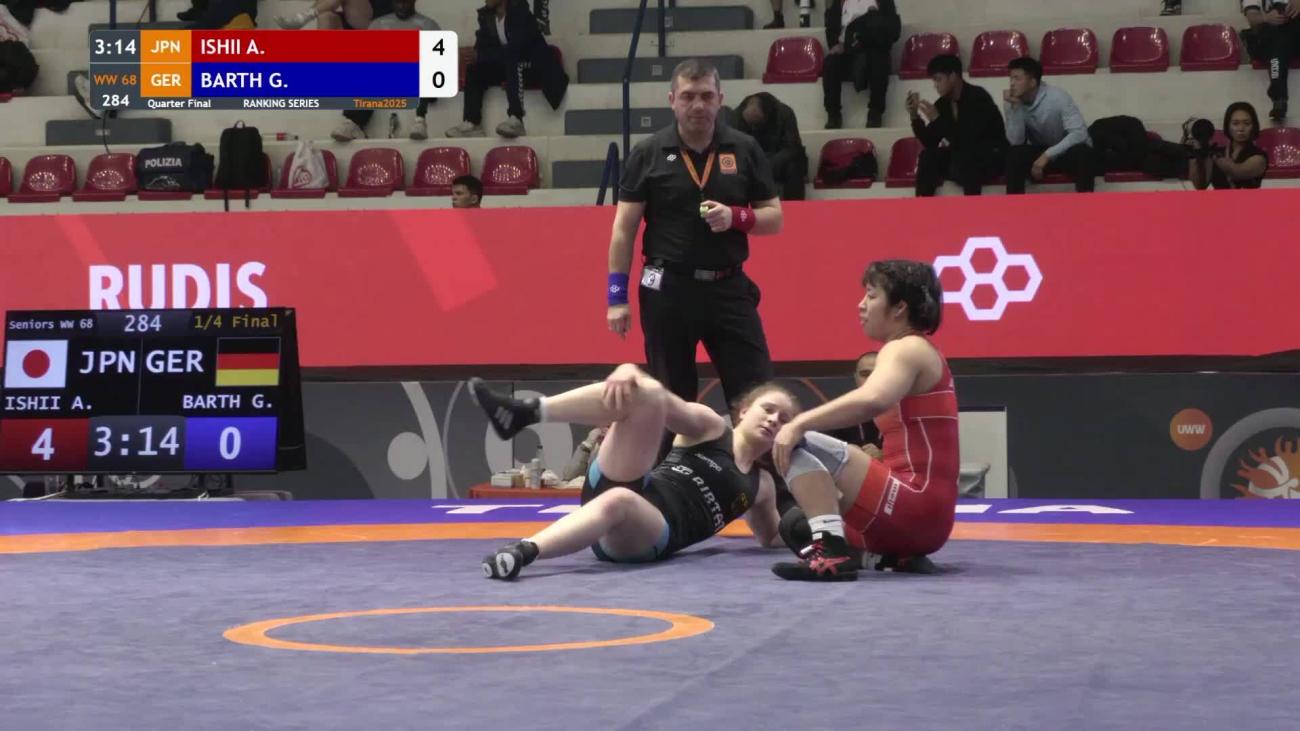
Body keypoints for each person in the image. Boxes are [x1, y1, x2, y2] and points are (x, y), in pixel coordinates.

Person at [607, 58, 783, 456]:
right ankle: (670, 481)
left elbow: (774, 219)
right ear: (672, 100)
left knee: (757, 394)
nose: (698, 105)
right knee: (671, 397)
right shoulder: (648, 152)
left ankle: (767, 484)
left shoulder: (744, 148)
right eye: (688, 96)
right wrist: (616, 297)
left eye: (706, 96)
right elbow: (623, 229)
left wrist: (736, 217)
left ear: (721, 98)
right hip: (667, 289)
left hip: (728, 288)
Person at [468, 369, 795, 579]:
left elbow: (772, 537)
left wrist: (819, 529)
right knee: (647, 393)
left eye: (783, 420)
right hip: (636, 485)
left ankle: (524, 551)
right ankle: (523, 413)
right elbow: (665, 402)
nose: (773, 420)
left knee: (620, 501)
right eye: (768, 410)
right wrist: (630, 373)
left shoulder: (762, 485)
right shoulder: (710, 427)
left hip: (651, 532)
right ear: (744, 411)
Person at [770, 260, 959, 581]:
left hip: (915, 505)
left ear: (899, 308)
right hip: (920, 522)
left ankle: (832, 554)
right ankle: (882, 560)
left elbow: (873, 399)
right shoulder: (914, 350)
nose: (861, 305)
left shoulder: (907, 347)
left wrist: (797, 424)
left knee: (795, 441)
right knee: (795, 525)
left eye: (871, 296)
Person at [446, 0, 569, 139]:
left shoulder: (521, 13)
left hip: (535, 65)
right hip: (509, 67)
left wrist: (481, 55)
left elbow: (516, 49)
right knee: (474, 69)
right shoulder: (487, 17)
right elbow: (482, 48)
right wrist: (474, 55)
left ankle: (516, 119)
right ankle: (472, 123)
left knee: (513, 61)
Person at [330, 0, 440, 141]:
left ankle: (420, 121)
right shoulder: (378, 24)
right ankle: (352, 123)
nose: (402, 6)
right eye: (398, 3)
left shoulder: (429, 25)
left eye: (405, 3)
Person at [908, 54, 1008, 197]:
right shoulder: (943, 103)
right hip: (961, 159)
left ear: (953, 76)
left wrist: (937, 119)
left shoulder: (978, 97)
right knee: (927, 156)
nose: (936, 85)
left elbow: (969, 139)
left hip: (991, 157)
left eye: (939, 79)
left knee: (968, 157)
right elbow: (930, 142)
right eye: (934, 80)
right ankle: (923, 205)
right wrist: (914, 116)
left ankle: (972, 208)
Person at [1003, 56, 1095, 194]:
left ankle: (1086, 203)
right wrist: (1015, 109)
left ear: (1032, 82)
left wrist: (1047, 155)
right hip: (1041, 149)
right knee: (1014, 155)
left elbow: (1080, 133)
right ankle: (1014, 204)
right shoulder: (1012, 102)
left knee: (1084, 153)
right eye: (1011, 78)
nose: (1012, 84)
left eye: (1017, 79)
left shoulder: (1057, 97)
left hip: (1066, 150)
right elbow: (1016, 142)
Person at [822, 0, 900, 129]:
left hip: (873, 48)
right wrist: (837, 45)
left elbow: (892, 30)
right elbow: (831, 29)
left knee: (879, 59)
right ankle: (833, 115)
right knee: (830, 62)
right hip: (846, 51)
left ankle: (875, 113)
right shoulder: (839, 2)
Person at [733, 92, 809, 201]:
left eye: (756, 124)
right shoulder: (737, 116)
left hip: (779, 160)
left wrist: (768, 165)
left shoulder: (784, 113)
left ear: (766, 117)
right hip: (753, 161)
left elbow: (792, 147)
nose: (753, 128)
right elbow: (736, 147)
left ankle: (795, 207)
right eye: (750, 124)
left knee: (795, 166)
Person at [1189, 102, 1270, 190]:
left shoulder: (1259, 156)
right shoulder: (1217, 152)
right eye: (1235, 123)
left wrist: (1214, 156)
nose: (1241, 129)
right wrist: (1196, 151)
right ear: (1227, 126)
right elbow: (1200, 185)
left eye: (1246, 124)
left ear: (1254, 126)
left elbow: (1237, 172)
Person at [1242, 1, 1299, 121]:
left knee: (1281, 37)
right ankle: (1279, 96)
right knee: (1278, 39)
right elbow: (1252, 17)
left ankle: (1279, 98)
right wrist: (1266, 17)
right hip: (1271, 38)